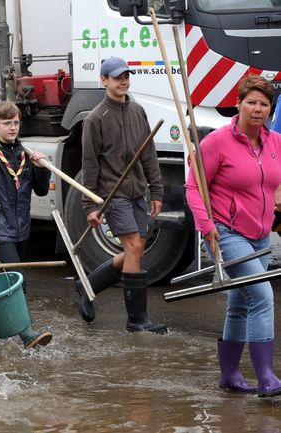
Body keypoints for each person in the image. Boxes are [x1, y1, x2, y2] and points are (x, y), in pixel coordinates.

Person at [186, 75, 281, 398]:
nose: (257, 109)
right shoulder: (217, 142)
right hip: (226, 232)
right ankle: (266, 377)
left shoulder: (274, 143)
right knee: (262, 296)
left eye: (264, 104)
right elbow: (193, 187)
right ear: (238, 104)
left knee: (241, 302)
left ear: (270, 109)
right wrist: (206, 227)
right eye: (251, 102)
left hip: (261, 236)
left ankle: (229, 375)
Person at [75, 56, 166, 334]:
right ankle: (137, 320)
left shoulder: (138, 111)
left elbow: (148, 153)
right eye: (117, 77)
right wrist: (89, 205)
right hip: (112, 194)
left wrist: (156, 189)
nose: (123, 81)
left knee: (134, 248)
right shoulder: (94, 119)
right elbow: (89, 165)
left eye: (126, 76)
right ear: (104, 81)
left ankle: (87, 284)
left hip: (137, 190)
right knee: (135, 247)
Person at [0, 101, 52, 349]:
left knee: (12, 281)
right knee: (15, 282)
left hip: (22, 229)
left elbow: (40, 190)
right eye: (7, 123)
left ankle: (7, 330)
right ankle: (28, 335)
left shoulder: (25, 155)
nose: (13, 128)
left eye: (16, 123)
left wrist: (42, 168)